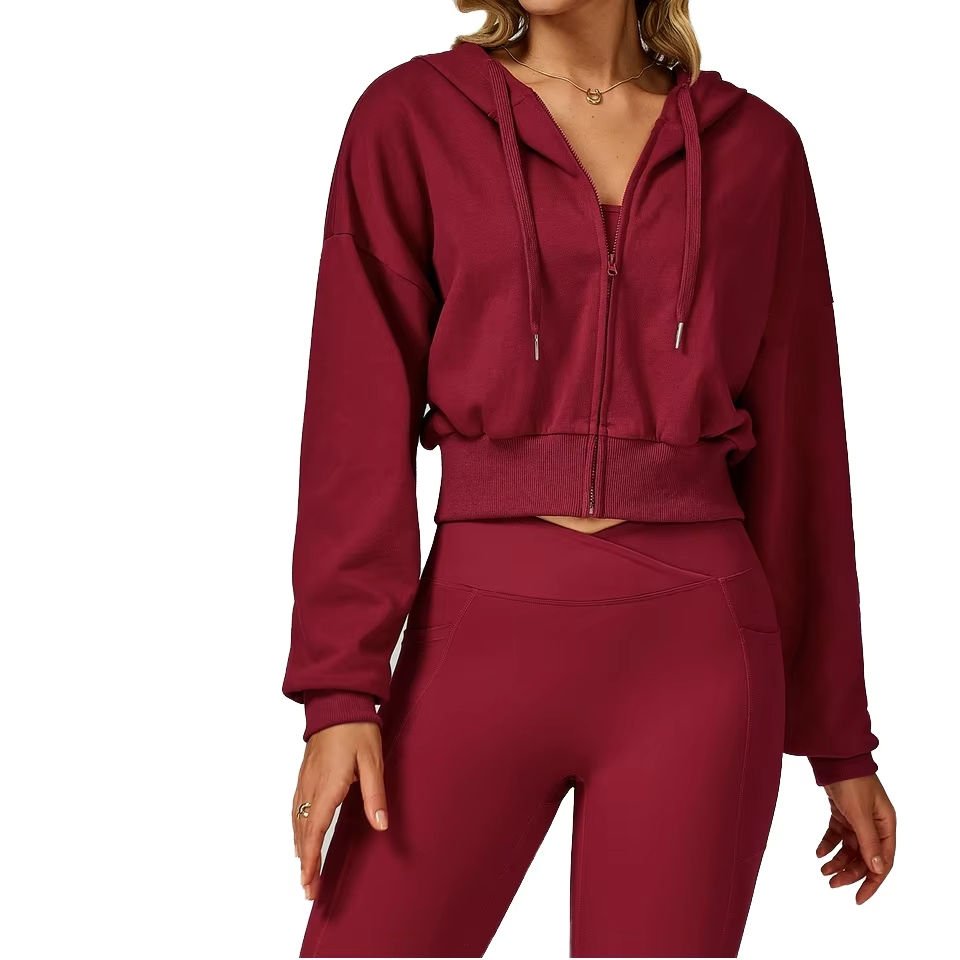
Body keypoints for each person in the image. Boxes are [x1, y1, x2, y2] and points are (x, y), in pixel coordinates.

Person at [283, 1, 897, 956]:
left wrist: (840, 741)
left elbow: (803, 450)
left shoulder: (758, 151)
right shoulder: (410, 119)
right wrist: (339, 692)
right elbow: (352, 420)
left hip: (699, 665)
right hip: (473, 649)